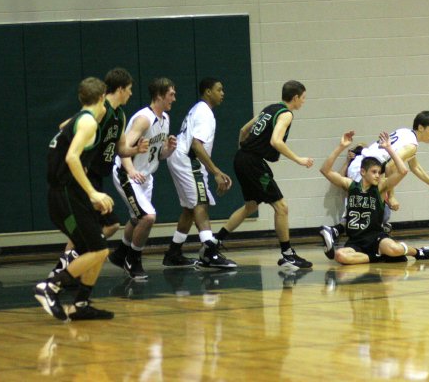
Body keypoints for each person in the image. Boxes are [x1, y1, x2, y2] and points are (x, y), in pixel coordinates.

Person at [47, 67, 149, 281]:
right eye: (129, 89)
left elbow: (120, 149)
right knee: (105, 226)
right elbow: (66, 126)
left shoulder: (119, 115)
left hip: (97, 177)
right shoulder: (99, 111)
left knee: (103, 227)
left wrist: (136, 150)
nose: (131, 93)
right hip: (85, 175)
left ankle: (68, 270)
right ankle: (65, 271)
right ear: (120, 89)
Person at [34, 77, 117, 321]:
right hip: (67, 196)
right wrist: (93, 192)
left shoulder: (77, 120)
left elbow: (63, 129)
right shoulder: (88, 123)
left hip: (63, 195)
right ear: (102, 97)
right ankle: (50, 287)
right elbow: (72, 158)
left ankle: (81, 303)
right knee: (100, 250)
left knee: (93, 249)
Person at [212, 80, 314, 271]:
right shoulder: (285, 114)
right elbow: (276, 141)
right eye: (303, 98)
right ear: (295, 97)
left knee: (250, 206)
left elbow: (243, 130)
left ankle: (213, 243)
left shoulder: (269, 109)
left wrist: (243, 155)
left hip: (242, 157)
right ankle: (287, 255)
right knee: (282, 207)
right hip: (252, 162)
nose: (304, 102)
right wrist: (299, 159)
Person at [319, 111, 429, 259]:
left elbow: (415, 167)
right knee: (367, 208)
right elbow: (391, 167)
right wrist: (392, 196)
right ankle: (336, 231)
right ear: (421, 127)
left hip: (362, 165)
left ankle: (374, 244)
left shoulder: (405, 133)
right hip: (368, 169)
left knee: (370, 210)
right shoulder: (412, 145)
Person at [110, 78, 178, 280]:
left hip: (146, 176)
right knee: (147, 217)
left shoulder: (165, 119)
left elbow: (158, 155)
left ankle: (120, 253)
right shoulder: (144, 119)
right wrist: (130, 170)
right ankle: (133, 259)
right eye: (171, 94)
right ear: (159, 96)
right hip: (127, 172)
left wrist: (168, 149)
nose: (174, 98)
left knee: (136, 217)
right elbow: (123, 148)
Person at [164, 77, 236, 269]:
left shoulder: (198, 109)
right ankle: (209, 253)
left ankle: (173, 252)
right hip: (188, 159)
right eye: (219, 89)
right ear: (207, 92)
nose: (223, 93)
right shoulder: (205, 113)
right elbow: (196, 145)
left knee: (190, 208)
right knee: (200, 203)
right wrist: (216, 172)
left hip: (180, 157)